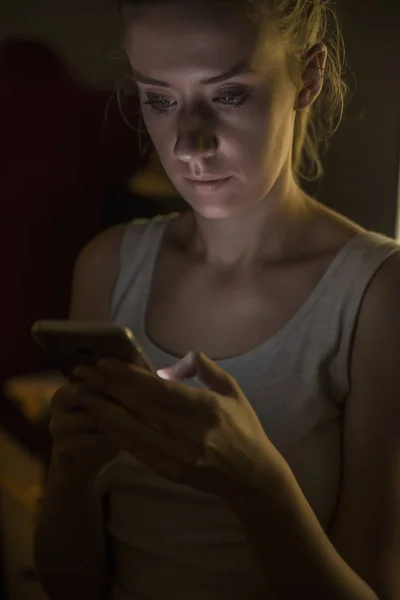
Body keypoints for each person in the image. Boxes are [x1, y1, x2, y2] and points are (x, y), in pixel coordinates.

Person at [33, 1, 400, 599]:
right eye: (159, 99)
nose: (187, 144)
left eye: (228, 95)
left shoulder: (376, 295)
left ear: (308, 77)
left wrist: (258, 488)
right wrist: (72, 472)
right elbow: (70, 584)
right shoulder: (109, 267)